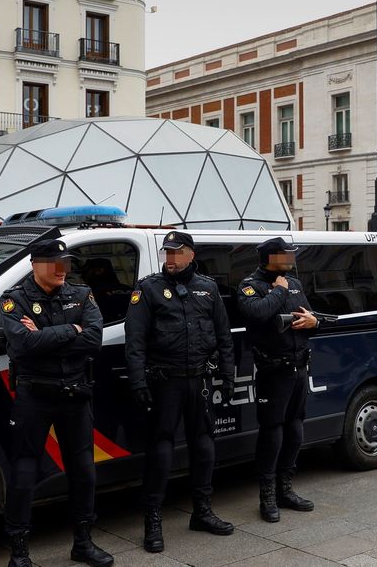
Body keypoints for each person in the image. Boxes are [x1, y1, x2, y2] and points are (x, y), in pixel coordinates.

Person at [0, 234, 113, 567]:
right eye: (54, 263)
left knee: (84, 472)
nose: (62, 269)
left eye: (65, 264)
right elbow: (21, 345)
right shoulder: (14, 301)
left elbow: (93, 340)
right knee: (24, 473)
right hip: (35, 396)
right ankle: (19, 552)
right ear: (35, 265)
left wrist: (45, 336)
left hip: (75, 394)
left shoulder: (82, 294)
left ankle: (83, 543)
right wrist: (71, 331)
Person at [125, 231, 236, 552]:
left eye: (176, 253)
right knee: (161, 451)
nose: (170, 259)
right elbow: (135, 342)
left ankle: (202, 511)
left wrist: (228, 376)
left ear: (191, 254)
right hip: (166, 383)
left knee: (204, 447)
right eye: (166, 253)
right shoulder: (148, 289)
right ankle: (153, 521)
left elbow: (223, 336)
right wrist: (138, 381)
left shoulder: (208, 288)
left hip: (199, 382)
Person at [235, 237, 320, 523]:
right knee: (272, 432)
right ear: (271, 257)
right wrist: (279, 292)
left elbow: (309, 314)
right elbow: (256, 314)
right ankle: (267, 496)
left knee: (295, 430)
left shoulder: (293, 282)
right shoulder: (251, 285)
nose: (292, 258)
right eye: (287, 254)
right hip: (273, 371)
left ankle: (286, 489)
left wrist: (314, 322)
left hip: (299, 368)